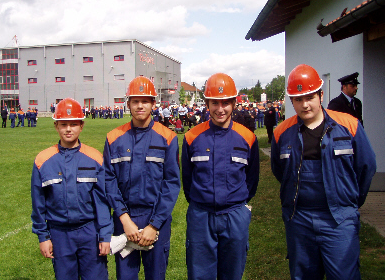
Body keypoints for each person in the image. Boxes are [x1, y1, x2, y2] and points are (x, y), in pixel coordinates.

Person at [271, 64, 376, 280]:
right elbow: (280, 171)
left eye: (309, 97)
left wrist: (350, 202)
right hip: (299, 219)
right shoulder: (282, 132)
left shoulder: (349, 125)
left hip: (339, 220)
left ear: (321, 94)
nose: (305, 104)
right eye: (298, 99)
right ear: (291, 101)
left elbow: (366, 167)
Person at [182, 73, 260, 280]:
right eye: (214, 103)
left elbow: (252, 179)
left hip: (235, 215)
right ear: (207, 103)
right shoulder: (192, 137)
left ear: (234, 103)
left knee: (232, 274)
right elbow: (187, 181)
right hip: (201, 216)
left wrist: (237, 203)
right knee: (200, 275)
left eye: (225, 102)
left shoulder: (248, 137)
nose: (220, 109)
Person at [103, 76, 181, 280]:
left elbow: (172, 183)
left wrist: (154, 225)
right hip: (124, 219)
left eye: (145, 101)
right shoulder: (113, 138)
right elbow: (108, 180)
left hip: (156, 219)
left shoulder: (168, 138)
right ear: (128, 103)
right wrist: (124, 218)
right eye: (135, 101)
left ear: (154, 103)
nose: (140, 106)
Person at [31, 98, 113, 280]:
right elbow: (38, 203)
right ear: (56, 126)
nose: (68, 129)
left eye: (74, 124)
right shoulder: (42, 160)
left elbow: (102, 202)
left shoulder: (95, 158)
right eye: (63, 124)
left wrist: (105, 235)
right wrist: (43, 237)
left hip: (89, 232)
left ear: (82, 126)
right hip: (59, 234)